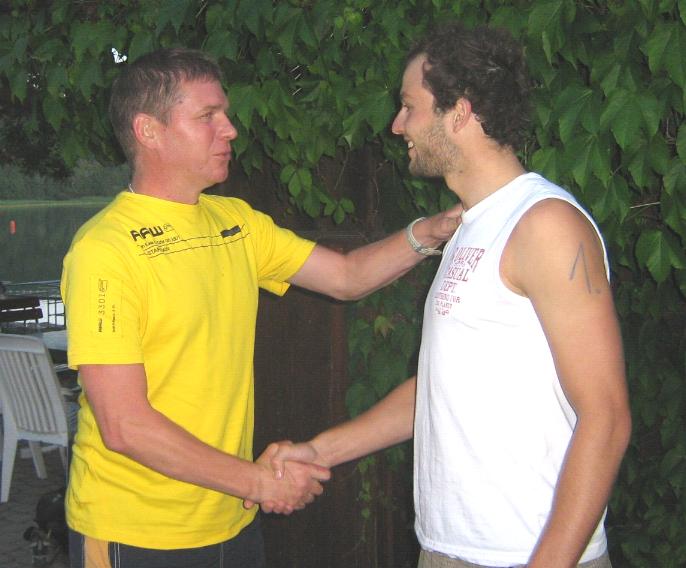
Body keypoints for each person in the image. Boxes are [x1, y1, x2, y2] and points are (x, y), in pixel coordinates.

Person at [60, 48, 460, 568]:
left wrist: (432, 231)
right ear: (149, 131)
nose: (230, 129)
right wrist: (258, 482)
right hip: (137, 530)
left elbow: (346, 277)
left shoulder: (235, 222)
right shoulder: (105, 250)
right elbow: (124, 425)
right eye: (208, 116)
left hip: (232, 519)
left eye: (225, 114)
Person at [262, 23, 632, 568]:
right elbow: (439, 389)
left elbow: (607, 417)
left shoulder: (545, 225)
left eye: (409, 106)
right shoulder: (468, 227)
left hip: (526, 554)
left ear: (459, 112)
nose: (396, 125)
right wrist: (321, 450)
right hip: (446, 551)